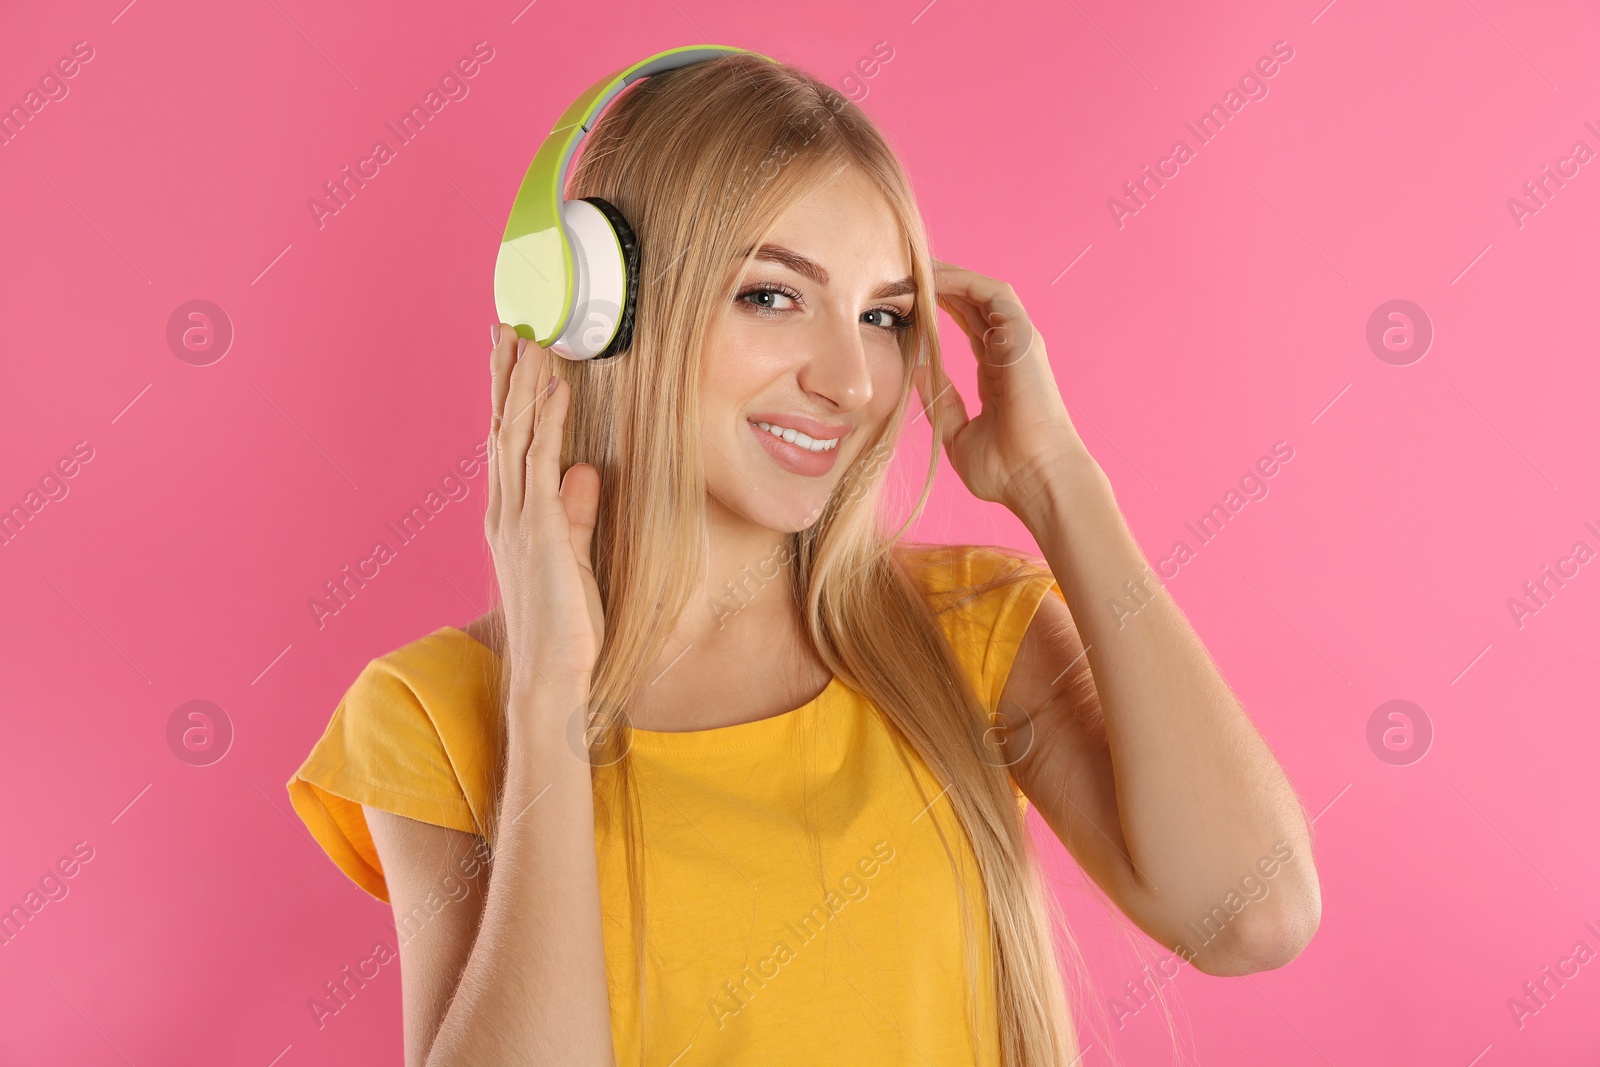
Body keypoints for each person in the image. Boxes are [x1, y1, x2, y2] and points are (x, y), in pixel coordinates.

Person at [286, 52, 1321, 1067]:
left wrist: (1057, 479)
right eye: (772, 296)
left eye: (881, 317)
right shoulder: (437, 710)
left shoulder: (968, 632)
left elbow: (1253, 914)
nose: (852, 380)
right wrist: (550, 687)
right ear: (598, 307)